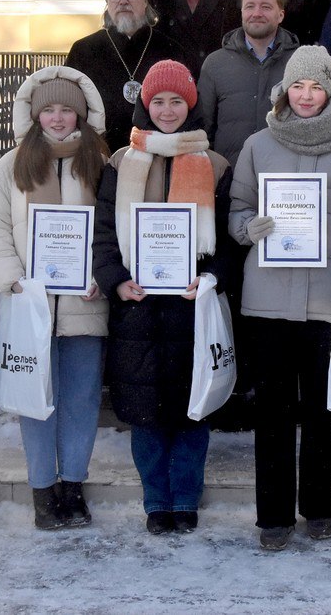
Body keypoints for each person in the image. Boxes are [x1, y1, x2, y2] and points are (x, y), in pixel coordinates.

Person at [229, 45, 331, 551]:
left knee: (320, 409)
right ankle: (273, 517)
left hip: (326, 299)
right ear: (283, 90)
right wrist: (247, 227)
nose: (306, 95)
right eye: (297, 85)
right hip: (266, 301)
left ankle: (319, 509)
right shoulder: (257, 145)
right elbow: (237, 208)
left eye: (316, 86)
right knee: (273, 411)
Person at [92, 60, 233, 536]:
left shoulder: (214, 164)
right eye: (158, 101)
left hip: (193, 308)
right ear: (144, 104)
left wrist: (210, 277)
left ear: (190, 104)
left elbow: (229, 242)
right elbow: (105, 234)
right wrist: (115, 281)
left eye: (177, 101)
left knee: (193, 414)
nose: (167, 110)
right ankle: (156, 501)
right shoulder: (120, 162)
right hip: (139, 309)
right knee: (146, 417)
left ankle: (186, 499)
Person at [0, 65, 111, 531]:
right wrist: (12, 279)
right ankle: (42, 490)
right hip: (29, 305)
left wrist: (102, 275)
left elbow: (115, 228)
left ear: (82, 114)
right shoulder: (10, 165)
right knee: (34, 399)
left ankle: (72, 486)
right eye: (48, 110)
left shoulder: (100, 162)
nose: (57, 119)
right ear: (35, 115)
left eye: (66, 110)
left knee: (80, 398)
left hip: (85, 304)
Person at [65, 0, 187, 152]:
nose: (123, 1)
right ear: (107, 2)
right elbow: (70, 106)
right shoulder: (83, 50)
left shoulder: (169, 49)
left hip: (157, 153)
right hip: (99, 156)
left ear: (146, 1)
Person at [198, 0, 299, 168]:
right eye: (249, 6)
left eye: (266, 7)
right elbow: (202, 129)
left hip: (285, 179)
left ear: (281, 15)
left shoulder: (300, 62)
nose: (256, 13)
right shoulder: (215, 63)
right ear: (242, 13)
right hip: (229, 177)